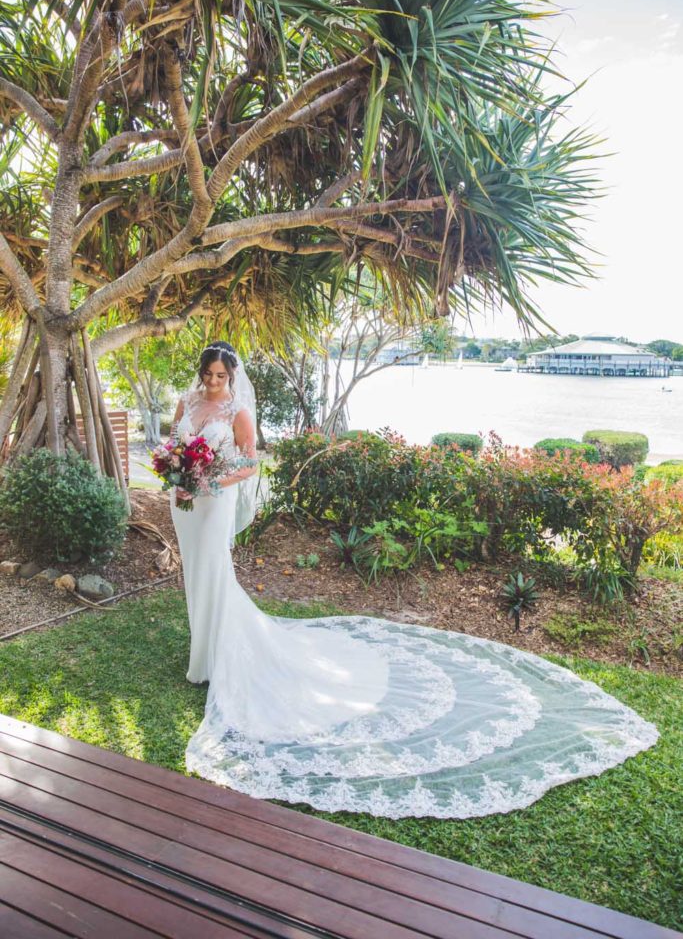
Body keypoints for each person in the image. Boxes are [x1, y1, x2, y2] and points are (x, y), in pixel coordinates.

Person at [170, 342, 658, 820]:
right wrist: (177, 471)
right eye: (208, 375)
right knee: (196, 573)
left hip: (214, 501)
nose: (214, 382)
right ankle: (204, 649)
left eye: (221, 376)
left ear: (232, 377)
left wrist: (209, 481)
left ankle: (215, 657)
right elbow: (172, 446)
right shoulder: (186, 402)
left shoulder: (237, 411)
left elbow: (250, 463)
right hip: (184, 501)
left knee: (215, 570)